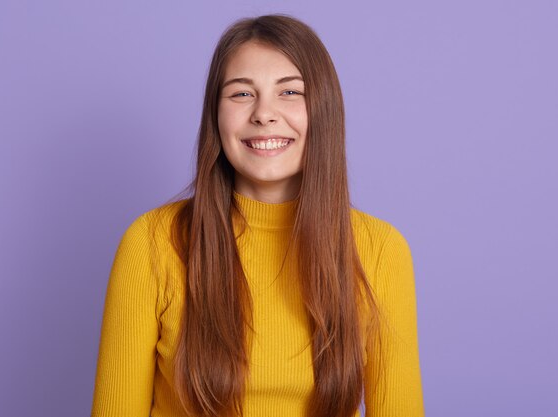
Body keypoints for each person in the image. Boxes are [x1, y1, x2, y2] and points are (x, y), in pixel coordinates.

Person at [90, 14, 424, 417]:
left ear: (324, 111)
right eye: (242, 94)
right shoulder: (150, 242)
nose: (264, 114)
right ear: (215, 115)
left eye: (289, 92)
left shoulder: (381, 250)